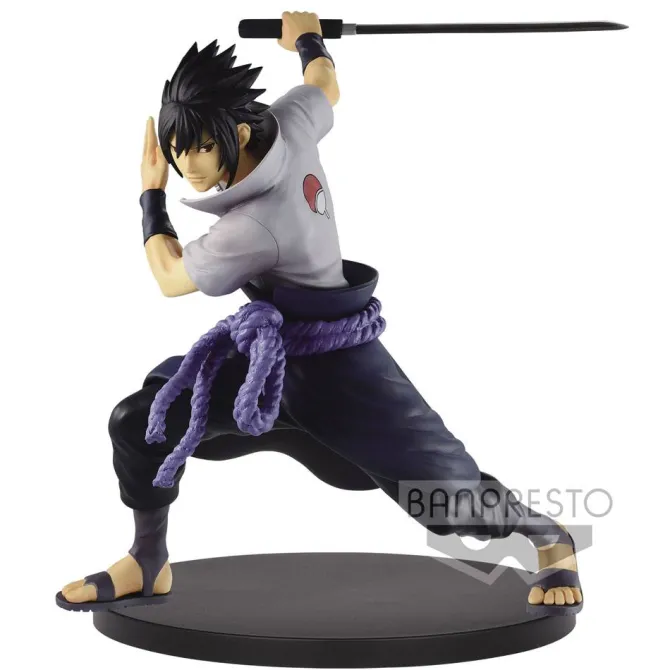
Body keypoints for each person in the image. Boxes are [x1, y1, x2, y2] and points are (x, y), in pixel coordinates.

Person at [56, 11, 582, 616]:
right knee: (141, 421)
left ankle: (552, 540)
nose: (188, 166)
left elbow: (170, 278)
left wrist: (151, 194)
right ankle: (148, 559)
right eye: (177, 151)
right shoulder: (292, 122)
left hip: (340, 368)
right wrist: (306, 38)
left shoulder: (252, 226)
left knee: (448, 499)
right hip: (269, 360)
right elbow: (324, 82)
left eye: (202, 148)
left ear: (239, 134)